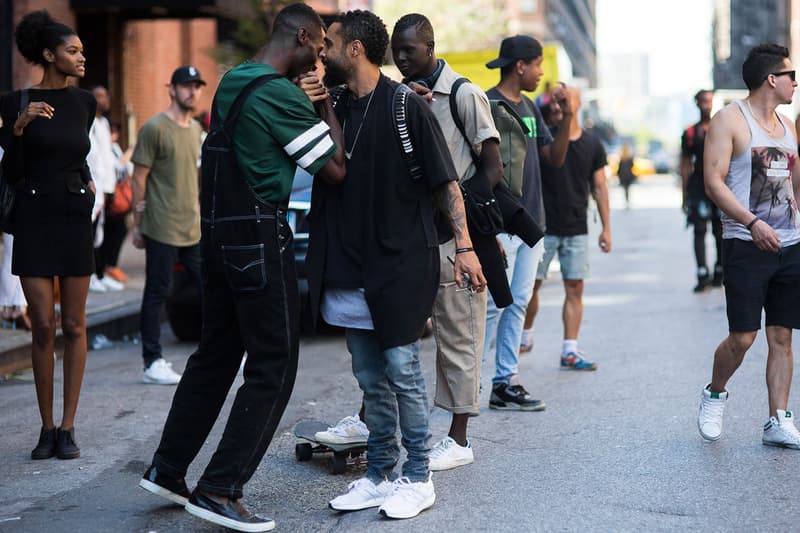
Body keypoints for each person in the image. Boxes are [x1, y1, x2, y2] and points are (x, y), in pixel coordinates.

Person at [138, 4, 345, 531]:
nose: (321, 59)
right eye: (319, 47)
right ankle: (220, 488)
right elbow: (336, 169)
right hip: (258, 237)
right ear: (302, 36)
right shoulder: (282, 96)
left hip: (218, 239)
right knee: (275, 364)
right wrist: (323, 107)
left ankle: (168, 469)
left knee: (216, 354)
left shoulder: (233, 81)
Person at [306, 10, 483, 519]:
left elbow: (446, 184)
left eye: (330, 45)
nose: (323, 54)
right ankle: (380, 473)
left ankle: (417, 477)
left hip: (403, 261)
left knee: (402, 370)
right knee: (368, 375)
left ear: (355, 50)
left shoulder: (408, 106)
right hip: (348, 263)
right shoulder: (334, 104)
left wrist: (466, 247)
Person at [390, 13, 501, 471]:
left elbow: (492, 166)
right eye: (395, 51)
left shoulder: (464, 94)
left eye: (409, 51)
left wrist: (461, 223)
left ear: (430, 47)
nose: (400, 58)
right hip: (410, 238)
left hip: (454, 239)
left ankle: (458, 439)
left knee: (460, 336)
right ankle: (372, 422)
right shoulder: (398, 96)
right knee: (396, 335)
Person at [0, 10, 96, 460]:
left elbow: (77, 154)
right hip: (35, 219)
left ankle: (69, 427)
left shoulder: (85, 103)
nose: (81, 57)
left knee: (75, 326)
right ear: (48, 55)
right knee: (43, 326)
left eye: (80, 50)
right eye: (72, 51)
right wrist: (18, 128)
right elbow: (12, 174)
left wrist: (89, 184)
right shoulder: (14, 101)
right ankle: (45, 428)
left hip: (74, 217)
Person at [699, 43, 800, 449]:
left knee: (783, 335)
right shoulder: (729, 120)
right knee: (743, 337)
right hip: (745, 243)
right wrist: (752, 222)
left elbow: (794, 184)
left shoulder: (789, 125)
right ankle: (715, 392)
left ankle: (778, 419)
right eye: (792, 75)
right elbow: (713, 181)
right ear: (771, 79)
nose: (796, 82)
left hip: (790, 245)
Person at [482, 35, 571, 410]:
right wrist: (487, 227)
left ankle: (506, 381)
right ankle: (469, 381)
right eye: (537, 65)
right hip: (501, 224)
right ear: (520, 65)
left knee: (519, 302)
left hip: (532, 223)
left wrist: (569, 116)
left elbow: (554, 157)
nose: (540, 73)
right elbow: (476, 168)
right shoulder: (487, 104)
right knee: (490, 307)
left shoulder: (532, 108)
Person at [522, 85, 611, 369]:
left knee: (574, 288)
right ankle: (524, 336)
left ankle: (569, 350)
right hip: (542, 227)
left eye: (565, 102)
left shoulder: (592, 144)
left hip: (576, 227)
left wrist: (606, 228)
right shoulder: (543, 139)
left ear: (577, 102)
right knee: (530, 286)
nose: (558, 108)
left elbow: (600, 187)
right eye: (555, 103)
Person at [130, 65, 205, 385]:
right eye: (186, 86)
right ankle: (152, 361)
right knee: (157, 293)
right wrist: (137, 223)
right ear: (171, 90)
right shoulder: (155, 128)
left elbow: (196, 176)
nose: (192, 91)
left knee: (211, 288)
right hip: (161, 224)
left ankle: (227, 349)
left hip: (192, 226)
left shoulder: (196, 131)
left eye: (196, 86)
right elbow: (138, 176)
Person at [681, 89, 723, 292]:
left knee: (720, 230)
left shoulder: (722, 128)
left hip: (719, 186)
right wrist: (685, 195)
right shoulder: (690, 133)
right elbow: (685, 164)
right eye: (703, 101)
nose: (707, 105)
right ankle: (702, 272)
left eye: (709, 101)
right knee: (699, 230)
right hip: (698, 188)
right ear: (697, 104)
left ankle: (720, 269)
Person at [86, 85, 124, 293]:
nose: (104, 99)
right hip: (93, 187)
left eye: (105, 95)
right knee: (91, 234)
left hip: (106, 187)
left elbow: (107, 159)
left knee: (103, 233)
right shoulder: (88, 121)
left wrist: (111, 187)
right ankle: (90, 274)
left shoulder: (104, 123)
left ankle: (100, 273)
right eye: (98, 95)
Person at [101, 122, 133, 283]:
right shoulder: (104, 148)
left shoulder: (115, 148)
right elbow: (118, 166)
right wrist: (130, 153)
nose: (114, 136)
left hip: (116, 193)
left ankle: (111, 266)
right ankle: (106, 268)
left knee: (119, 230)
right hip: (108, 195)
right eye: (112, 133)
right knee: (108, 232)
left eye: (115, 133)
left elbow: (127, 168)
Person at [617, 143, 635, 208]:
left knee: (625, 189)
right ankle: (627, 200)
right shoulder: (630, 158)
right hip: (628, 176)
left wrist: (618, 175)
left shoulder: (622, 158)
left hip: (623, 176)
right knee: (627, 189)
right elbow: (632, 166)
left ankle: (626, 200)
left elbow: (619, 168)